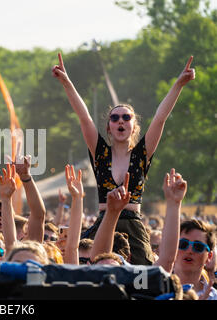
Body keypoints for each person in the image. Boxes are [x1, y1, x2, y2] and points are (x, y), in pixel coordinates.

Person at [52, 53, 195, 265]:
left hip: (133, 228)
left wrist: (178, 84)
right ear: (109, 126)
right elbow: (84, 117)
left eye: (126, 117)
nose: (120, 120)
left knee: (145, 278)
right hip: (102, 225)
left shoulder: (141, 153)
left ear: (133, 126)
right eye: (115, 117)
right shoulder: (100, 152)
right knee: (85, 270)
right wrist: (66, 82)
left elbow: (160, 117)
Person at [173, 219, 216, 300]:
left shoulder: (214, 297)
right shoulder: (154, 289)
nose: (189, 251)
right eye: (183, 244)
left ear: (209, 256)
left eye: (198, 246)